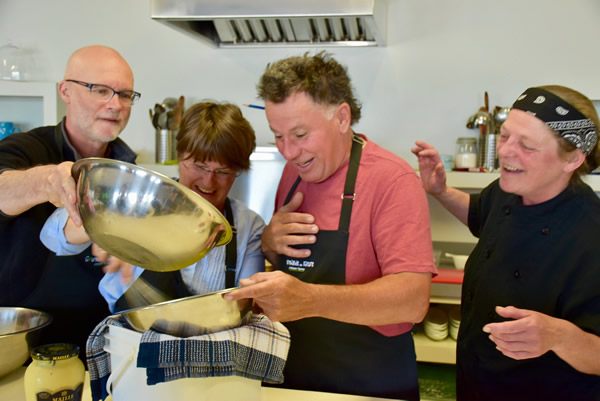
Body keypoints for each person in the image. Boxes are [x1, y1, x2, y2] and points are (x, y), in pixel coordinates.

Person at [225, 52, 436, 400]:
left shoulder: (392, 181)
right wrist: (269, 242)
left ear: (341, 117)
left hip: (369, 385)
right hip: (291, 381)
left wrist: (310, 299)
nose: (288, 151)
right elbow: (287, 267)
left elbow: (412, 301)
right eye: (278, 136)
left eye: (300, 134)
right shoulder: (294, 174)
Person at [412, 85, 600, 400]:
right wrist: (440, 191)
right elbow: (478, 214)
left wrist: (557, 336)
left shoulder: (590, 236)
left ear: (572, 160)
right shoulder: (509, 190)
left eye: (526, 145)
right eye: (505, 136)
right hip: (478, 382)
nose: (506, 151)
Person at [41, 101, 266, 312]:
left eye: (223, 172)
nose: (208, 181)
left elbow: (246, 303)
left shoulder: (248, 225)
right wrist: (105, 224)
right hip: (130, 342)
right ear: (179, 157)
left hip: (212, 343)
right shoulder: (138, 197)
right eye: (199, 166)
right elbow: (51, 238)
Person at [0, 45, 140, 360]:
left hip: (101, 345)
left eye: (125, 94)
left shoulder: (127, 170)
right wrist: (46, 181)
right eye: (100, 90)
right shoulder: (25, 150)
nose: (115, 104)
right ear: (65, 91)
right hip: (20, 343)